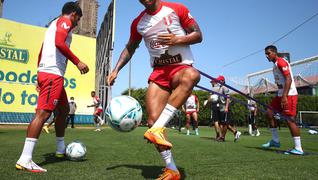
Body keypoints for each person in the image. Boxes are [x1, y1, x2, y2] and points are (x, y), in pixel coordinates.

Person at [107, 0, 202, 179]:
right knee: (152, 122)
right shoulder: (138, 23)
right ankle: (172, 169)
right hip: (159, 74)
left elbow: (198, 35)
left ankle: (158, 129)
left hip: (180, 68)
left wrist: (178, 39)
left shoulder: (176, 8)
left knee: (192, 75)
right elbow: (130, 47)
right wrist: (116, 69)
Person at [15, 2, 89, 173]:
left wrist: (38, 73)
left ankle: (60, 149)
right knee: (43, 113)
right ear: (73, 14)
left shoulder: (53, 25)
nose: (77, 22)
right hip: (52, 74)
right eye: (78, 18)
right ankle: (25, 159)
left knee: (63, 110)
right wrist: (77, 62)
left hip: (49, 73)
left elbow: (41, 50)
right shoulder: (65, 21)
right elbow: (59, 43)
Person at [262, 45, 303, 155]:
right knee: (269, 112)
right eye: (265, 54)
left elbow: (288, 79)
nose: (266, 56)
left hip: (289, 95)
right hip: (281, 94)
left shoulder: (281, 62)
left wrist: (284, 96)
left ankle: (298, 148)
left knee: (289, 120)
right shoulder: (275, 65)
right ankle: (275, 141)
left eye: (268, 53)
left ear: (275, 52)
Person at [210, 76, 241, 142]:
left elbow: (228, 98)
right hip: (221, 107)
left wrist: (226, 107)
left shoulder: (225, 87)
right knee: (222, 123)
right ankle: (235, 132)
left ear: (222, 81)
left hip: (225, 107)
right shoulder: (220, 87)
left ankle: (222, 137)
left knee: (225, 123)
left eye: (219, 80)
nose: (218, 82)